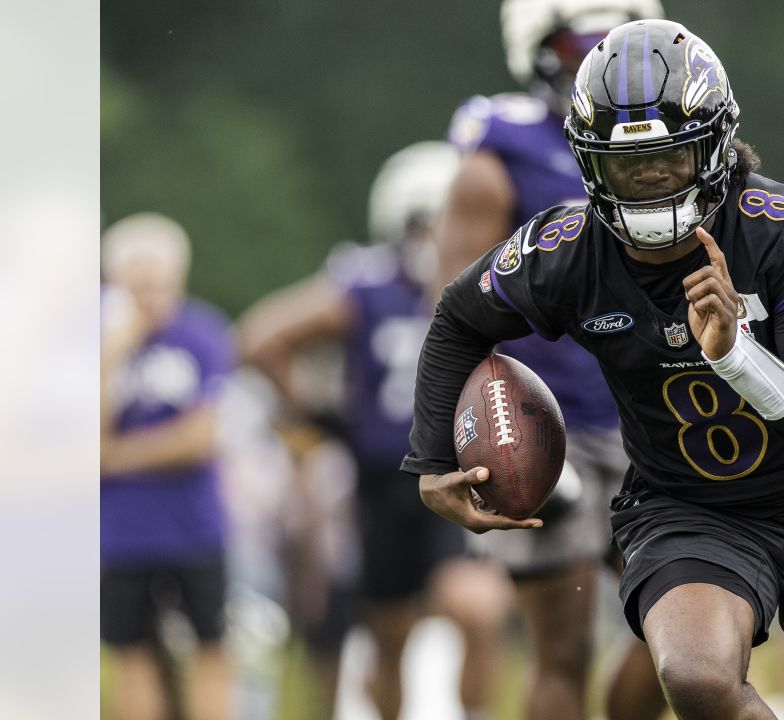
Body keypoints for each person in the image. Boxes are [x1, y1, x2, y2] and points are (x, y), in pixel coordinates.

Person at [405, 19, 784, 720]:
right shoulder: (567, 249)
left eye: (670, 158)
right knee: (695, 676)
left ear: (713, 149)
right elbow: (458, 318)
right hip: (689, 506)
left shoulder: (778, 231)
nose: (651, 180)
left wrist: (737, 356)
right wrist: (433, 461)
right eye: (630, 165)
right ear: (591, 165)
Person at [437, 3, 667, 720]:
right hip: (548, 419)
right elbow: (454, 310)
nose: (605, 59)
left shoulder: (676, 136)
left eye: (622, 43)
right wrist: (485, 427)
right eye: (585, 42)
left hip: (655, 417)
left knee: (683, 628)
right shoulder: (498, 152)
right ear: (541, 51)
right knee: (563, 650)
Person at [239, 142, 513, 720]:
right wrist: (329, 419)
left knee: (476, 606)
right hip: (384, 479)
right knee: (389, 632)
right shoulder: (367, 286)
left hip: (463, 470)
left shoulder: (496, 288)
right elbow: (261, 338)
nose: (444, 234)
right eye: (433, 219)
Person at [100, 213, 235, 720]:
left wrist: (115, 455)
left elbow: (199, 439)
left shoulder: (201, 332)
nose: (151, 299)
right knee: (130, 653)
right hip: (121, 530)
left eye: (160, 286)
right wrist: (113, 350)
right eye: (138, 287)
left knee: (210, 645)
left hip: (193, 524)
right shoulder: (91, 341)